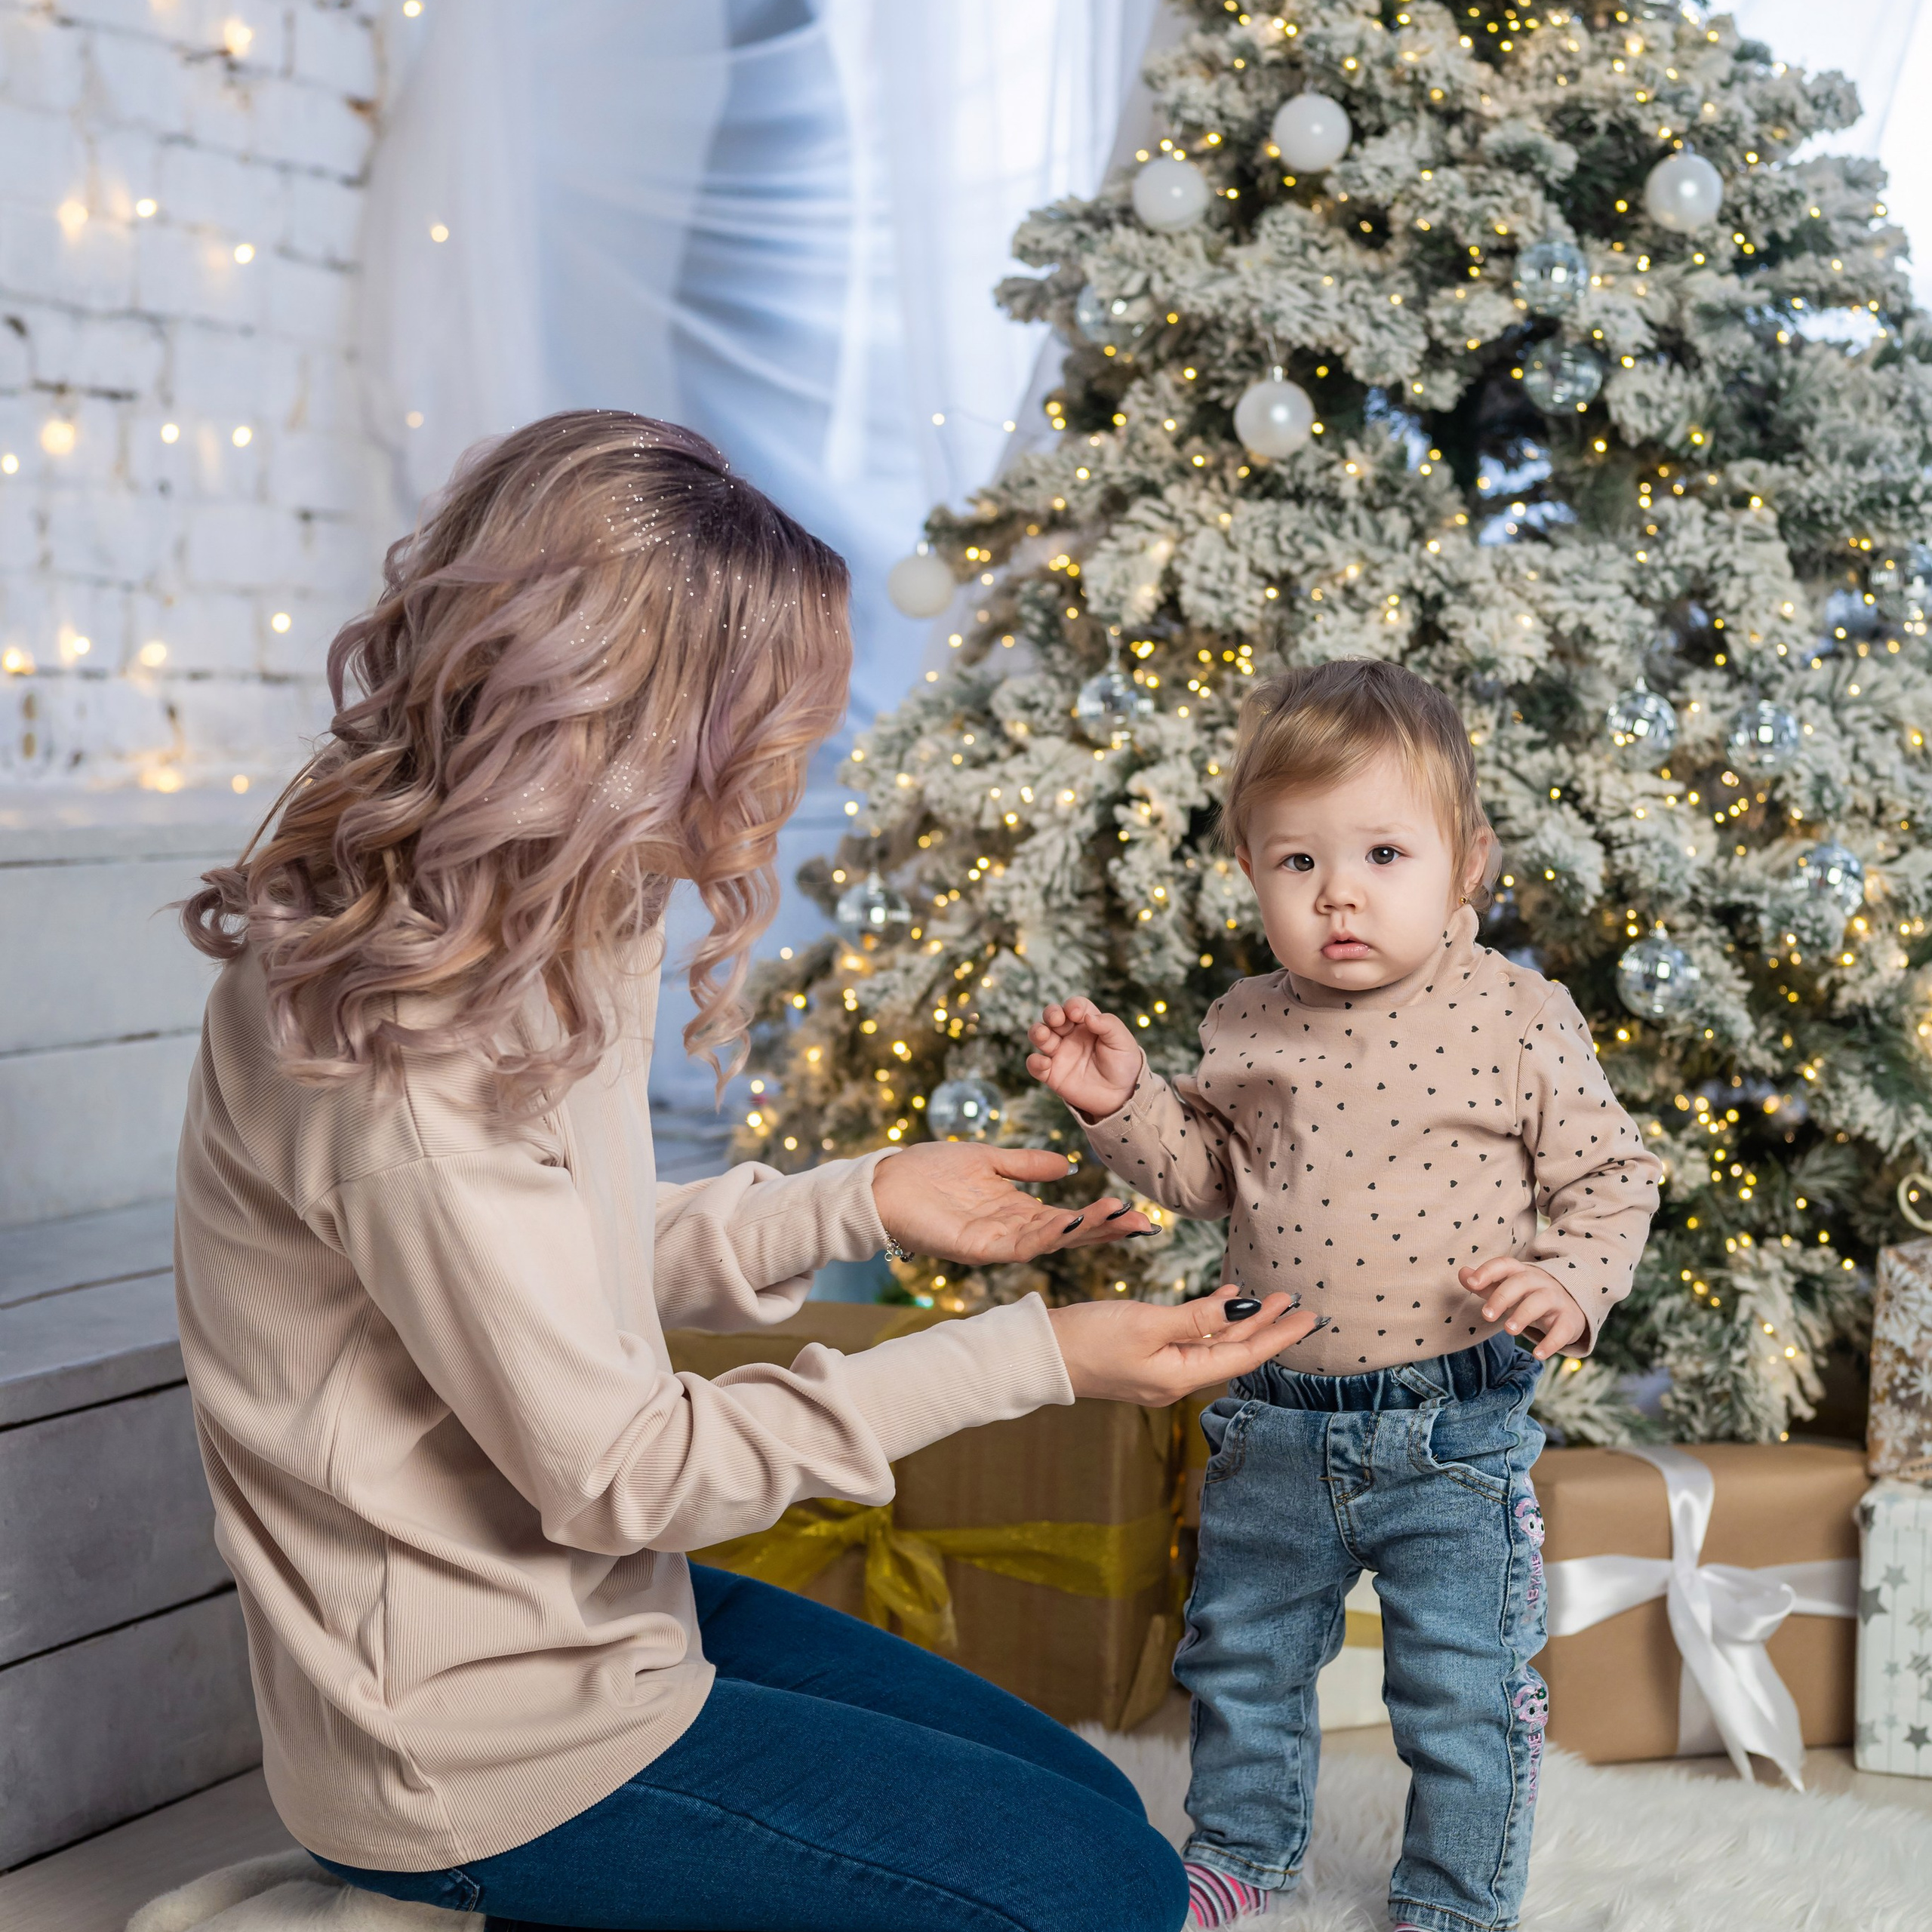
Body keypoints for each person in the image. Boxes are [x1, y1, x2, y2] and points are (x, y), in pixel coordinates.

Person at [172, 412, 1318, 1932]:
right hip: (472, 1738)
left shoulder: (531, 917)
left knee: (1098, 1812)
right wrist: (1028, 1356)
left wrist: (858, 1200)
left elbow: (541, 1264)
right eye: (769, 725)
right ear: (628, 717)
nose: (795, 764)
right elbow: (622, 1468)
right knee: (1100, 1891)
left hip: (590, 1620)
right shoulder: (395, 1051)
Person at [1026, 659, 1663, 1932]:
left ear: (1466, 863)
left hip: (1457, 1427)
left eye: (1383, 852)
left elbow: (1609, 1178)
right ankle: (1244, 1857)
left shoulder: (1513, 1014)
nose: (1342, 898)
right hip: (1274, 1413)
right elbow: (1205, 1176)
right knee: (1246, 1661)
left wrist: (1566, 1285)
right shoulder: (1247, 1020)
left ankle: (1455, 1894)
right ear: (1252, 871)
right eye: (1298, 864)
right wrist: (1120, 1104)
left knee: (1462, 1682)